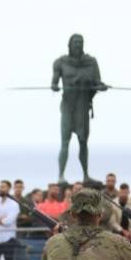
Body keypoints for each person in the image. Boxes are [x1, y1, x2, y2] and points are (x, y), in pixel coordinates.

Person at [52, 34, 105, 183]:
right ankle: (61, 176)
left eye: (80, 42)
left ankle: (86, 175)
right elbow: (54, 82)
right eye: (75, 42)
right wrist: (55, 86)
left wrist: (101, 86)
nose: (78, 44)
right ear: (69, 44)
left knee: (83, 142)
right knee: (65, 141)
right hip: (68, 106)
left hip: (82, 106)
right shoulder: (60, 62)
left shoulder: (91, 62)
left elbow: (97, 82)